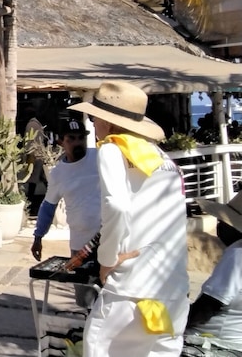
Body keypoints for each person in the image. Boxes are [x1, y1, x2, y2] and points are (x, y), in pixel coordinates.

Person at [69, 80, 188, 357]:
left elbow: (117, 206)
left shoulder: (113, 149)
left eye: (95, 118)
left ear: (108, 122)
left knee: (100, 348)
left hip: (131, 289)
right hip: (171, 288)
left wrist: (107, 259)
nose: (93, 124)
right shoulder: (162, 158)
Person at [30, 118, 100, 261]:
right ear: (61, 142)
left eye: (81, 138)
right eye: (71, 139)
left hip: (108, 241)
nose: (77, 143)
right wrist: (38, 237)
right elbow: (48, 207)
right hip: (79, 245)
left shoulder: (100, 157)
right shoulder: (58, 173)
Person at [183, 190, 242, 355]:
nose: (219, 224)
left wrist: (177, 322)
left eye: (223, 220)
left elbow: (210, 305)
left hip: (214, 343)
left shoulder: (238, 253)